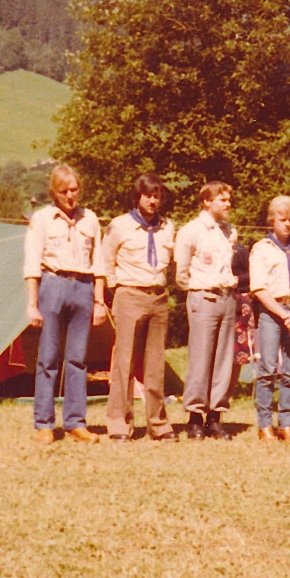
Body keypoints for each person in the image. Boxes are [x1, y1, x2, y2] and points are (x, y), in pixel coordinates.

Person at [24, 165, 107, 445]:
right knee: (47, 359)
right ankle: (44, 424)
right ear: (53, 192)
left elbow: (100, 263)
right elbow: (32, 264)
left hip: (83, 288)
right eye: (64, 191)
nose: (70, 196)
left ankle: (75, 422)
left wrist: (99, 301)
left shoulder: (91, 219)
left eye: (74, 190)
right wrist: (32, 304)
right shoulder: (43, 219)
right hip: (53, 285)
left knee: (77, 360)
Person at [100, 173, 178, 442]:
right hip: (130, 295)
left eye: (157, 195)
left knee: (155, 364)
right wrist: (116, 291)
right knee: (124, 363)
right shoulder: (119, 226)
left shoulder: (168, 227)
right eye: (148, 195)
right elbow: (105, 261)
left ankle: (158, 423)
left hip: (158, 297)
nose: (153, 200)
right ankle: (120, 424)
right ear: (138, 197)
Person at [174, 181, 238, 440]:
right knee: (200, 359)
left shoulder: (229, 232)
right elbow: (181, 272)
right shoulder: (191, 231)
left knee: (223, 361)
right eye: (222, 199)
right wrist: (199, 290)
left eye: (229, 199)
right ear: (206, 202)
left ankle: (215, 416)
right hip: (204, 298)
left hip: (227, 298)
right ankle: (194, 417)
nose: (228, 204)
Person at [249, 196, 290, 442]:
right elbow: (259, 288)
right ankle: (265, 424)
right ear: (272, 220)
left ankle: (286, 422)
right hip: (272, 313)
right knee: (267, 368)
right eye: (282, 219)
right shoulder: (262, 249)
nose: (287, 224)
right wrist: (281, 313)